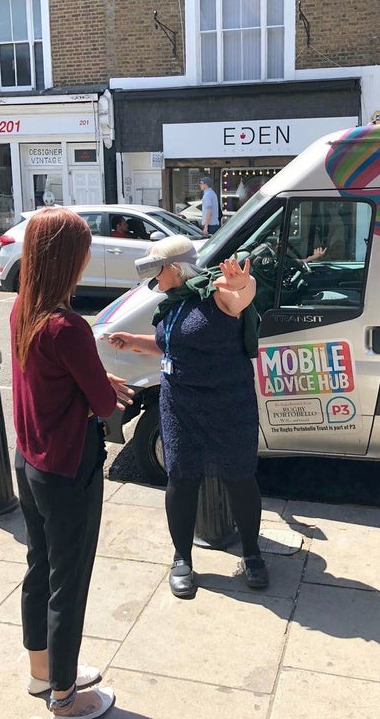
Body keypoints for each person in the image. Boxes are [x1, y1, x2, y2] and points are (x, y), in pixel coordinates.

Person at [12, 206, 133, 719]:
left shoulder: (23, 308)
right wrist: (102, 391)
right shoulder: (68, 326)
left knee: (40, 567)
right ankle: (65, 696)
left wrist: (93, 386)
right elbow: (105, 407)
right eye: (84, 247)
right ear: (69, 258)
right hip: (66, 466)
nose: (89, 255)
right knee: (69, 582)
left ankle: (44, 673)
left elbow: (55, 380)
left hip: (30, 459)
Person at [108, 235, 268, 599]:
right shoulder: (174, 303)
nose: (153, 279)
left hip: (228, 404)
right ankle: (182, 558)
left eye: (155, 268)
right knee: (180, 478)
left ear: (174, 268)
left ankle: (253, 555)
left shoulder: (217, 294)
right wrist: (133, 340)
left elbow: (240, 297)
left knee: (239, 477)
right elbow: (170, 345)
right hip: (180, 404)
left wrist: (243, 285)